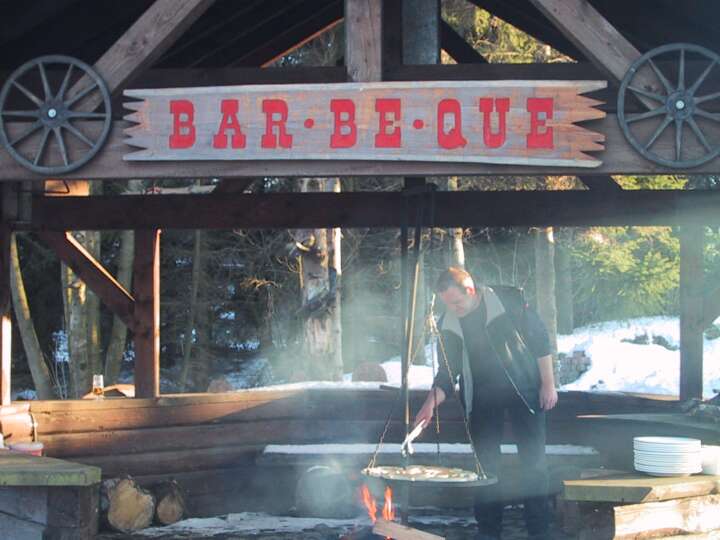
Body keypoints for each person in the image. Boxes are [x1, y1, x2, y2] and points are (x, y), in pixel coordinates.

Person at [414, 267, 558, 540]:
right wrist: (430, 404)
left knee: (534, 464)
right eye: (447, 303)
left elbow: (540, 342)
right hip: (482, 395)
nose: (453, 308)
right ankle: (489, 532)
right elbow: (448, 371)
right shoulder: (449, 322)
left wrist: (548, 385)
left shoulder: (508, 302)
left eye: (456, 302)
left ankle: (539, 532)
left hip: (524, 389)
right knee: (485, 467)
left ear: (471, 290)